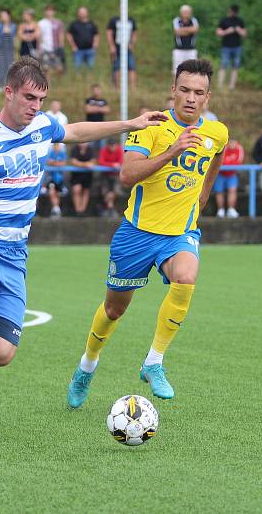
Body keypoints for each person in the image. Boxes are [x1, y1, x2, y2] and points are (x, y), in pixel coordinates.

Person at [0, 57, 165, 444]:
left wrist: (131, 124)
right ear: (8, 92)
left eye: (41, 99)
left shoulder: (42, 126)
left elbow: (75, 131)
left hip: (13, 253)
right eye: (28, 97)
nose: (35, 107)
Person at [66, 58, 228, 407]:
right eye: (184, 90)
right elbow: (126, 176)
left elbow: (217, 156)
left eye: (198, 92)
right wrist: (173, 151)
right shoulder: (150, 126)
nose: (190, 98)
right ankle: (87, 366)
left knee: (187, 276)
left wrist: (203, 196)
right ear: (173, 90)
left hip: (179, 233)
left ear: (207, 98)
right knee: (113, 310)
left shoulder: (217, 132)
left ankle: (154, 362)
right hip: (136, 234)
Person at [214, 4, 246, 90]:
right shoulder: (224, 20)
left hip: (237, 47)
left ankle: (232, 86)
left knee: (235, 66)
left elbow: (244, 34)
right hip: (226, 47)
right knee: (223, 65)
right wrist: (227, 31)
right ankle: (220, 85)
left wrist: (239, 30)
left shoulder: (240, 21)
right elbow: (218, 33)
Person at [213, 138, 243, 218]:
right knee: (219, 191)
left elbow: (238, 162)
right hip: (220, 174)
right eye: (231, 143)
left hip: (232, 174)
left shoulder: (239, 148)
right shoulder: (223, 148)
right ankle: (220, 210)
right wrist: (228, 163)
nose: (232, 145)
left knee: (232, 190)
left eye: (234, 143)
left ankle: (231, 209)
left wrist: (228, 163)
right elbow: (220, 161)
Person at [107, 13, 137, 89]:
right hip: (117, 47)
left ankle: (133, 87)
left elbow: (134, 32)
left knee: (131, 67)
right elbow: (109, 33)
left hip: (127, 47)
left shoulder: (131, 20)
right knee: (116, 67)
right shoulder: (114, 20)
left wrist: (132, 44)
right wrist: (111, 46)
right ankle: (117, 87)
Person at [97, 138, 123, 218]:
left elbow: (121, 162)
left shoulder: (119, 150)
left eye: (114, 146)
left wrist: (112, 165)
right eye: (111, 146)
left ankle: (107, 207)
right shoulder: (104, 150)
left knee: (115, 191)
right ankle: (110, 208)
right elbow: (101, 162)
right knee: (105, 191)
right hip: (105, 175)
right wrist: (112, 165)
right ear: (108, 146)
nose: (112, 148)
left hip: (115, 175)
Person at [69, 141, 96, 215]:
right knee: (76, 190)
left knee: (86, 191)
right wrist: (85, 165)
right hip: (76, 175)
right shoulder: (74, 149)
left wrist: (80, 164)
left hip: (88, 175)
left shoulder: (91, 149)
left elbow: (93, 162)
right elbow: (73, 161)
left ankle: (82, 210)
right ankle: (77, 210)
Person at [0, 10, 16, 92]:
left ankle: (7, 85)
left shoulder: (13, 26)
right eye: (1, 15)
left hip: (9, 49)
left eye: (4, 15)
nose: (2, 17)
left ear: (8, 16)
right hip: (0, 48)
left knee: (9, 66)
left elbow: (13, 35)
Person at [38, 5, 65, 75]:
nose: (49, 12)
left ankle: (59, 83)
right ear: (45, 12)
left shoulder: (58, 22)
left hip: (56, 48)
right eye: (47, 11)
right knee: (46, 68)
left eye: (51, 11)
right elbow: (39, 36)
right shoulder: (41, 23)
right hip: (45, 48)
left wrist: (61, 46)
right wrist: (39, 48)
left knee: (59, 68)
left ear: (54, 12)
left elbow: (61, 34)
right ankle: (48, 84)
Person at [172, 5, 199, 74]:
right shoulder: (176, 20)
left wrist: (182, 30)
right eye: (185, 12)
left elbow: (195, 30)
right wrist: (189, 30)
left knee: (192, 70)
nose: (186, 13)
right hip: (179, 49)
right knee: (177, 70)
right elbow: (177, 32)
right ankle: (176, 84)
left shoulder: (194, 20)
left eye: (188, 12)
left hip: (191, 49)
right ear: (181, 12)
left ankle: (190, 85)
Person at [45, 143, 67, 218]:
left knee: (57, 193)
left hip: (60, 179)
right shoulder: (51, 153)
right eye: (55, 146)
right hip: (51, 178)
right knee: (51, 191)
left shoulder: (62, 153)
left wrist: (54, 163)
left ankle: (56, 209)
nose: (56, 147)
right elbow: (48, 162)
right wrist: (56, 163)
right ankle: (56, 209)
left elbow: (63, 163)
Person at [84, 84, 109, 151]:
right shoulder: (89, 100)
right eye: (94, 90)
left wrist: (94, 108)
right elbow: (88, 110)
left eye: (97, 90)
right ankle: (92, 160)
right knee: (90, 146)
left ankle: (101, 160)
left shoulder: (103, 101)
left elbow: (107, 110)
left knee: (102, 146)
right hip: (90, 126)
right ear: (92, 91)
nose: (96, 91)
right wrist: (100, 108)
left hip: (101, 126)